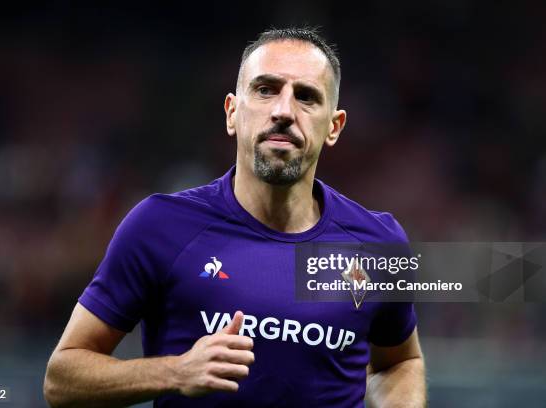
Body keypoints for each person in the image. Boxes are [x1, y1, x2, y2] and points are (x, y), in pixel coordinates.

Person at [43, 27, 426, 407]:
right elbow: (62, 380)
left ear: (334, 127)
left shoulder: (377, 242)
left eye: (306, 97)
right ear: (232, 113)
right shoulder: (160, 226)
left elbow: (399, 362)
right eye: (265, 89)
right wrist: (174, 372)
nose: (283, 111)